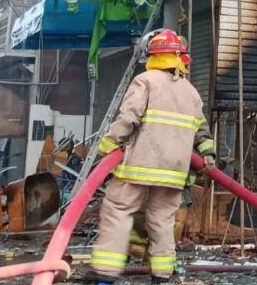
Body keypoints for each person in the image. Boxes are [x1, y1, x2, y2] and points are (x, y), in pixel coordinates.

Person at [85, 29, 216, 284]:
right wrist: (207, 156)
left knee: (118, 211)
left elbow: (128, 119)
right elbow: (203, 132)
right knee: (162, 221)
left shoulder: (144, 81)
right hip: (174, 172)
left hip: (139, 166)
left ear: (151, 55)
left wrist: (106, 147)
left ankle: (104, 274)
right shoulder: (191, 92)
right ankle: (161, 276)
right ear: (181, 58)